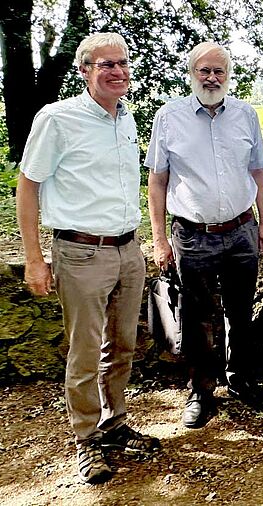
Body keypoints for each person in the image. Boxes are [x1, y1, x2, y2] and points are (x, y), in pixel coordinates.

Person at [16, 32, 160, 484]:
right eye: (105, 65)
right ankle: (86, 440)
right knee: (83, 353)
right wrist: (35, 258)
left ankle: (114, 424)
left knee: (122, 345)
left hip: (126, 249)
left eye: (122, 63)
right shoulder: (57, 119)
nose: (117, 71)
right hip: (80, 252)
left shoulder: (125, 118)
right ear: (85, 71)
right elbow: (28, 185)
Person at [146, 42, 263, 429]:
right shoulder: (169, 117)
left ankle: (241, 379)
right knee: (197, 315)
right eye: (204, 70)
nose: (212, 77)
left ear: (229, 74)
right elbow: (157, 181)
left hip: (241, 230)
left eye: (219, 71)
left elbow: (258, 174)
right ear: (192, 74)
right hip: (192, 235)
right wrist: (159, 238)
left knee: (240, 310)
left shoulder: (246, 115)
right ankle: (201, 391)